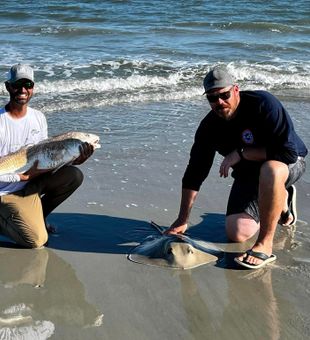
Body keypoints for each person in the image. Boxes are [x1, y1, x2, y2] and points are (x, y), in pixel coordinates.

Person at [165, 66, 307, 269]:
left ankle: (265, 245)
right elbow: (195, 172)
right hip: (250, 174)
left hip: (287, 163)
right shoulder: (209, 127)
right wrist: (181, 219)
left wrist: (241, 153)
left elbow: (288, 153)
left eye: (224, 95)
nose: (219, 102)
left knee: (271, 170)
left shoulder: (264, 104)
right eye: (212, 98)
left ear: (236, 90)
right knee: (237, 233)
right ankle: (281, 199)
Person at [0, 63, 94, 248]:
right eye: (17, 84)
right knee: (36, 241)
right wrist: (24, 176)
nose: (23, 89)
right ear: (8, 86)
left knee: (73, 175)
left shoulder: (39, 118)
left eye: (28, 84)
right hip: (4, 190)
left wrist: (75, 159)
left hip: (30, 184)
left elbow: (45, 158)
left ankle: (37, 216)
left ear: (33, 88)